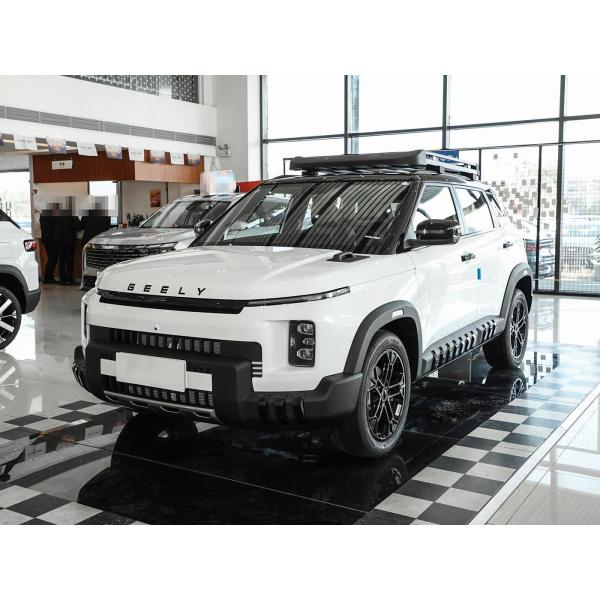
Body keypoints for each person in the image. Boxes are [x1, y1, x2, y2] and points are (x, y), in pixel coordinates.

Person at [57, 209, 82, 285]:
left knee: (61, 261)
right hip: (70, 240)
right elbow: (78, 226)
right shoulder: (72, 215)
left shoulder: (58, 215)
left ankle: (62, 280)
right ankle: (69, 279)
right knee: (69, 260)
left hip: (60, 241)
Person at [39, 203, 61, 284]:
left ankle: (49, 277)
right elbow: (53, 228)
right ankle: (48, 278)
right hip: (51, 240)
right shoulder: (50, 215)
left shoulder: (44, 214)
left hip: (47, 239)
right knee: (52, 258)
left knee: (52, 258)